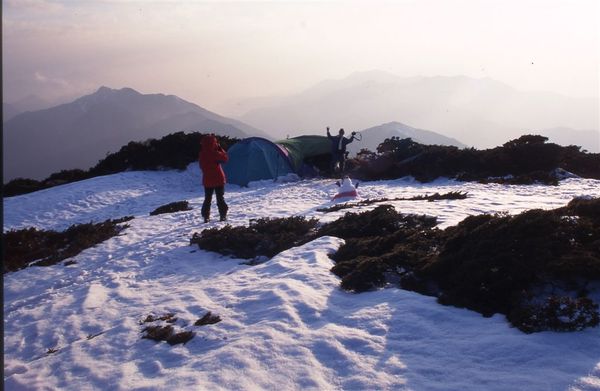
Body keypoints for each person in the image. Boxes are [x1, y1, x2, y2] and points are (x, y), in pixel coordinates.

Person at [199, 134, 228, 223]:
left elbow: (201, 166)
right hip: (218, 179)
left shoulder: (202, 154)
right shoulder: (215, 153)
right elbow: (225, 158)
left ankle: (206, 217)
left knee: (207, 199)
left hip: (207, 179)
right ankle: (222, 216)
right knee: (220, 198)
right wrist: (220, 148)